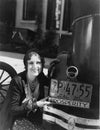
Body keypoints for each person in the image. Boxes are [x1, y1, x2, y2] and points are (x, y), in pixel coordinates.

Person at [0, 48, 50, 130]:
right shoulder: (17, 81)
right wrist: (36, 104)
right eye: (31, 63)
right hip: (15, 120)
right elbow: (13, 109)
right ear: (26, 65)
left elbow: (53, 85)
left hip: (33, 119)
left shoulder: (41, 77)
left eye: (38, 63)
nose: (35, 66)